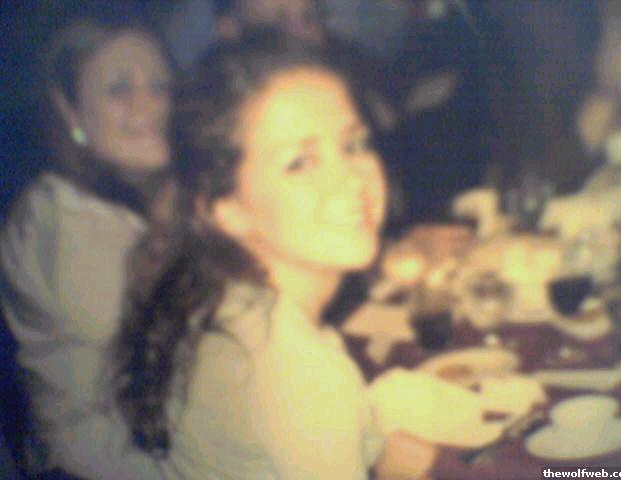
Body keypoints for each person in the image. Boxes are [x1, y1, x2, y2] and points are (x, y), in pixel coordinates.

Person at [114, 32, 436, 479]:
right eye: (300, 163)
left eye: (354, 145)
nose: (351, 179)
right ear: (228, 210)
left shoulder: (224, 306)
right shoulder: (299, 375)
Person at [0, 16, 173, 478]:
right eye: (119, 89)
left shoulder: (147, 189)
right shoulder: (61, 221)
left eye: (160, 85)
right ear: (69, 111)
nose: (149, 104)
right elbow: (177, 356)